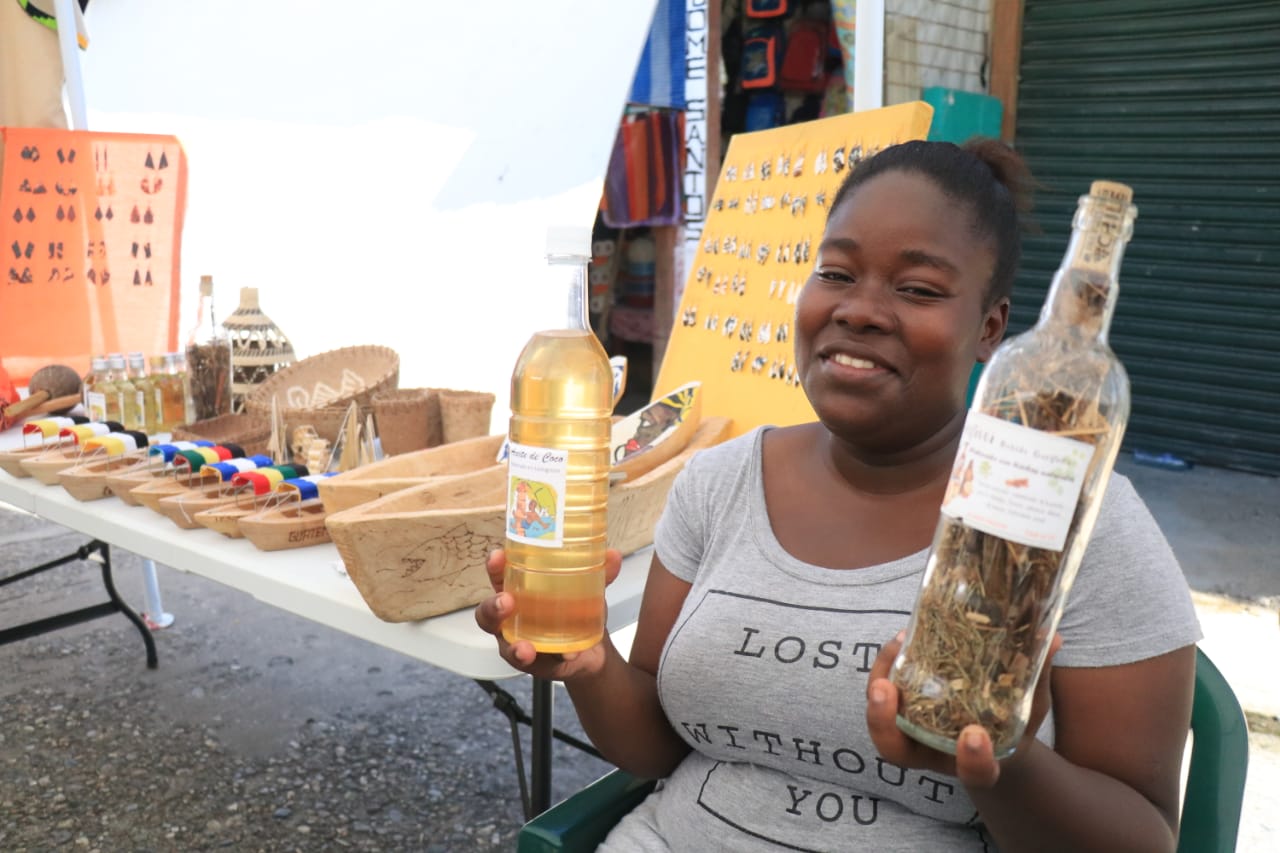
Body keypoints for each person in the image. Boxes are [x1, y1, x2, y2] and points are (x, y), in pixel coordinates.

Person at [476, 139, 1201, 851]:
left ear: (990, 329)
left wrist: (1000, 762)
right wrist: (590, 660)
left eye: (916, 288)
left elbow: (1142, 835)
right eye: (836, 273)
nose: (858, 310)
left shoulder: (1078, 528)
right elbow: (660, 745)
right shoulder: (719, 482)